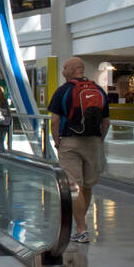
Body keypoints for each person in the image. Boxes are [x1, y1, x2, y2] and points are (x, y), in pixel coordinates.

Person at [47, 57, 110, 244]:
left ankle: (81, 229)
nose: (62, 71)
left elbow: (54, 120)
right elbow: (106, 121)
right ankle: (82, 225)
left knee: (74, 187)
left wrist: (57, 141)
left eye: (65, 67)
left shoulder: (63, 91)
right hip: (93, 142)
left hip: (70, 143)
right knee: (87, 185)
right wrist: (100, 139)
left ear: (74, 69)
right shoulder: (98, 90)